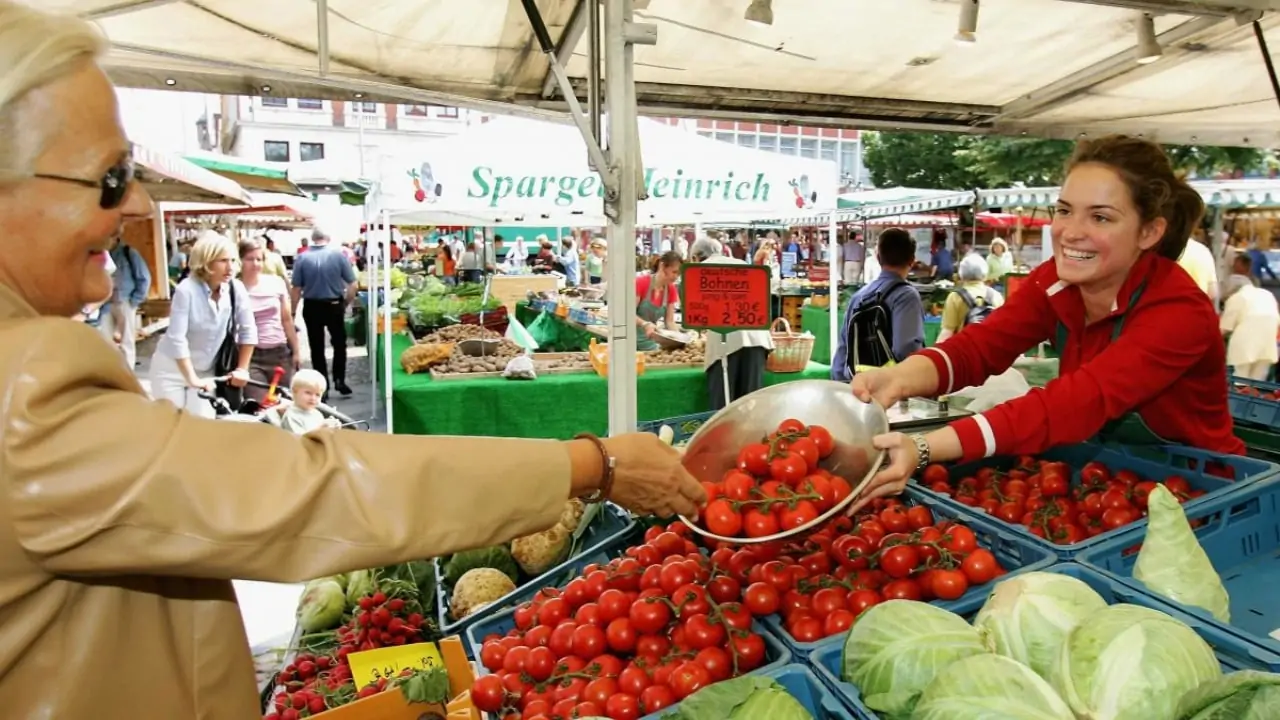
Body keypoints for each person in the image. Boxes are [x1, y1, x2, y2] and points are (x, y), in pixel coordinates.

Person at [0, 6, 707, 717]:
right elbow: (305, 490)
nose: (139, 203)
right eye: (112, 175)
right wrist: (592, 466)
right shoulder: (23, 379)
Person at [852, 135, 1246, 510]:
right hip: (1107, 482)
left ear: (1149, 231)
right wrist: (900, 378)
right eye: (1064, 210)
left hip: (1200, 491)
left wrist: (924, 448)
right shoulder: (1055, 282)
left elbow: (1073, 403)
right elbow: (981, 346)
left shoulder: (1179, 313)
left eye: (1101, 217)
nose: (1071, 232)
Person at [831, 227, 925, 383]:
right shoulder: (906, 296)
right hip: (892, 392)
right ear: (912, 259)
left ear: (878, 257)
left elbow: (843, 351)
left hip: (858, 389)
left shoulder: (858, 296)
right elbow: (906, 350)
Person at [689, 238, 774, 409]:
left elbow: (699, 313)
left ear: (697, 257)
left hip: (726, 342)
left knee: (724, 407)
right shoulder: (741, 263)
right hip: (757, 338)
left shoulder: (701, 270)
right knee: (751, 405)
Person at [291, 226, 356, 398]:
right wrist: (346, 303)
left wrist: (291, 311)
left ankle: (323, 386)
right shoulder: (338, 256)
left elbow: (296, 288)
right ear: (328, 238)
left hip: (312, 305)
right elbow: (352, 285)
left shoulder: (302, 258)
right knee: (340, 344)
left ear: (313, 238)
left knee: (316, 346)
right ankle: (339, 380)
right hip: (334, 304)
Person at [240, 237, 302, 400]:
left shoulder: (275, 283)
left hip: (279, 353)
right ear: (240, 261)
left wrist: (296, 350)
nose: (255, 264)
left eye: (259, 259)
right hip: (250, 356)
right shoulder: (234, 288)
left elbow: (286, 320)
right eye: (249, 259)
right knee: (259, 404)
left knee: (282, 403)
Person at [97, 236, 150, 367]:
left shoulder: (128, 252)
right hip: (105, 303)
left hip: (125, 301)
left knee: (127, 341)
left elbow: (144, 277)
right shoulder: (100, 253)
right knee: (105, 341)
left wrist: (134, 300)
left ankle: (128, 374)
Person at [1221, 268, 1280, 380]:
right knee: (1258, 384)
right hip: (1267, 346)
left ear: (1231, 289)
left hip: (1244, 347)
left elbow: (1224, 329)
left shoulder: (1237, 297)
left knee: (1239, 382)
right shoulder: (1267, 294)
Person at [938, 253, 1004, 343]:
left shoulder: (955, 297)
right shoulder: (997, 296)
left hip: (964, 352)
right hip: (989, 352)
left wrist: (934, 353)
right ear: (985, 273)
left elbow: (947, 333)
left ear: (961, 274)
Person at [636, 251, 682, 352]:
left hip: (650, 341)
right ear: (662, 266)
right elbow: (627, 314)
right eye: (674, 272)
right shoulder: (641, 283)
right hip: (631, 340)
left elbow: (669, 322)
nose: (676, 277)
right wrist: (644, 324)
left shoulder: (671, 290)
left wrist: (679, 340)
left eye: (678, 274)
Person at [274, 369, 342, 434]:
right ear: (294, 391)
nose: (313, 398)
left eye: (317, 395)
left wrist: (332, 428)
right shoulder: (291, 416)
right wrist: (320, 429)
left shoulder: (316, 414)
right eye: (308, 393)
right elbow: (299, 440)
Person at [1177, 232, 1220, 306]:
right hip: (1197, 308)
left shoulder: (1163, 250)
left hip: (1169, 309)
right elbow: (1213, 292)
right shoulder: (1203, 251)